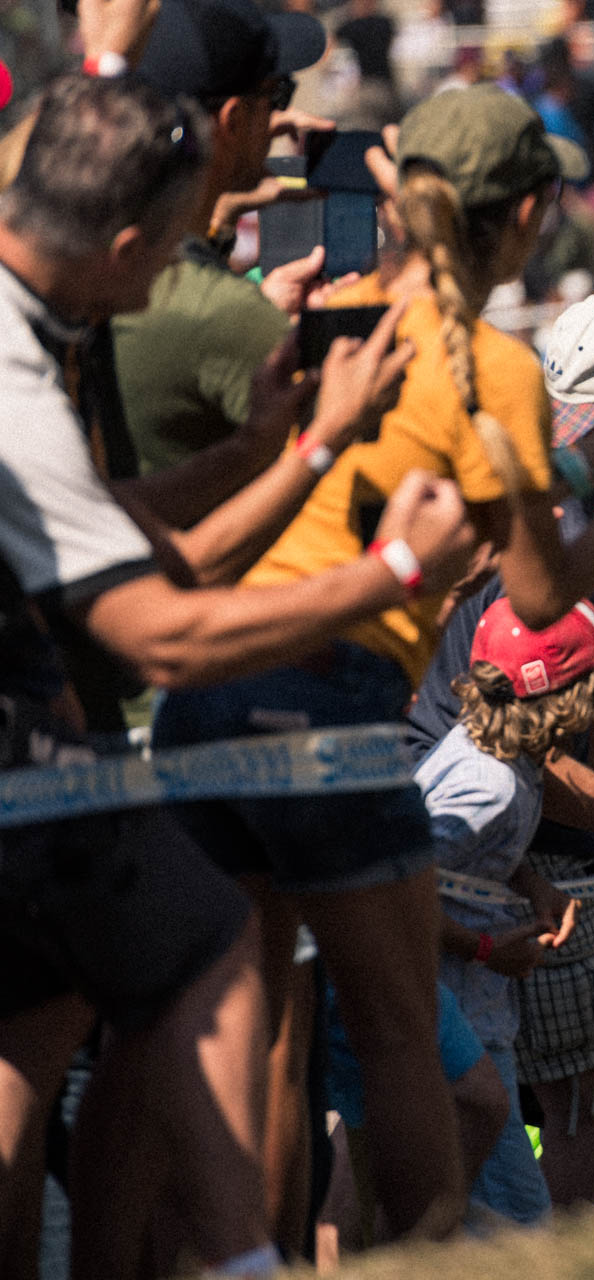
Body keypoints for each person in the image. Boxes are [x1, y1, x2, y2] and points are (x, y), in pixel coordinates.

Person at [151, 84, 594, 1240]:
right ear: (530, 214)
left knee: (266, 1037)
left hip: (204, 696)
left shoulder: (311, 314)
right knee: (406, 1035)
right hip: (333, 710)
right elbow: (545, 594)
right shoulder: (494, 371)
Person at [0, 73, 476, 1278]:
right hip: (36, 765)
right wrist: (398, 571)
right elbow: (157, 629)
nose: (171, 279)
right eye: (167, 249)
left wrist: (282, 445)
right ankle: (242, 1263)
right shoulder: (16, 380)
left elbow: (118, 537)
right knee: (198, 928)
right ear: (118, 242)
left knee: (32, 1035)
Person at [416, 597, 594, 1224]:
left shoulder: (491, 754)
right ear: (576, 695)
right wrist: (487, 948)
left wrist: (530, 880)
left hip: (470, 1020)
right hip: (453, 1023)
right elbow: (397, 889)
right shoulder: (486, 787)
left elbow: (463, 861)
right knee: (520, 1223)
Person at [114, 0, 332, 526]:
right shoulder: (225, 316)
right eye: (274, 95)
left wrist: (221, 218)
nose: (279, 116)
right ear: (233, 119)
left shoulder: (109, 265)